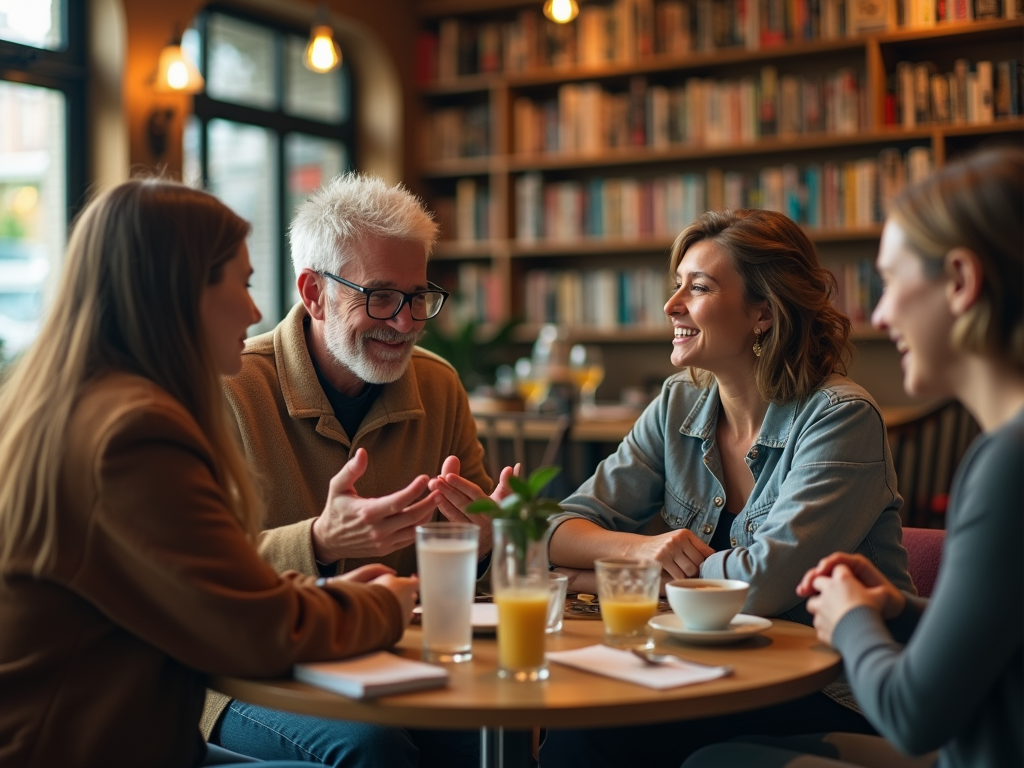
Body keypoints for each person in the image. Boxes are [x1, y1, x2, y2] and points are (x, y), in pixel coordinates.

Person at [0, 179, 421, 768]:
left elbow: (217, 585)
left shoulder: (73, 403)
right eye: (244, 285)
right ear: (177, 292)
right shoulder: (132, 435)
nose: (255, 311)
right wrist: (384, 607)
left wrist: (326, 594)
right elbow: (247, 629)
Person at [682, 147, 1024, 768]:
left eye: (891, 282)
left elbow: (915, 716)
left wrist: (848, 622)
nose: (883, 312)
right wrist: (896, 610)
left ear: (961, 282)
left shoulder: (1008, 466)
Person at [541, 207, 914, 768]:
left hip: (831, 688)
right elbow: (558, 524)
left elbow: (762, 584)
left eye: (699, 287)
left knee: (602, 734)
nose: (672, 305)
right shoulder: (678, 403)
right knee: (584, 724)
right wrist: (639, 551)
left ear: (763, 313)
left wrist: (600, 575)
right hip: (714, 665)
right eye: (677, 286)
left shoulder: (840, 418)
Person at [202, 172, 509, 768]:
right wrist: (317, 541)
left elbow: (475, 573)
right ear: (314, 293)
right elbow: (191, 579)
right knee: (373, 750)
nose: (406, 322)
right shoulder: (229, 390)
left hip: (387, 654)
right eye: (381, 296)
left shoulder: (439, 385)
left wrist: (486, 544)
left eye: (418, 296)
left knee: (492, 733)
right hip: (241, 668)